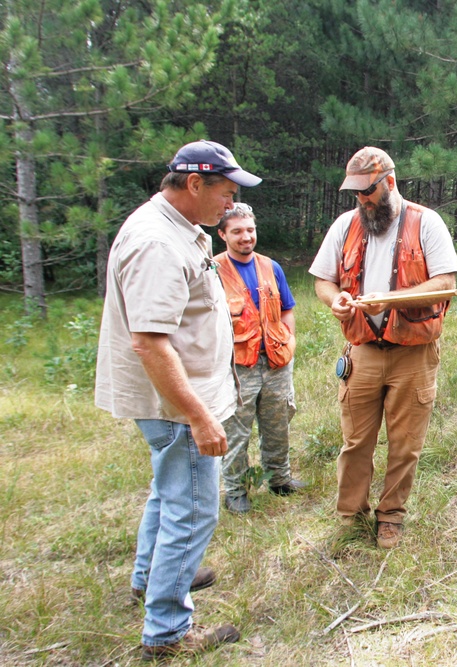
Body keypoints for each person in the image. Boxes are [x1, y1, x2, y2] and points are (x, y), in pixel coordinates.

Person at [95, 140, 261, 660]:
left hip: (178, 399)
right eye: (226, 194)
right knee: (192, 510)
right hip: (176, 405)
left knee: (168, 493)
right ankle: (167, 630)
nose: (230, 208)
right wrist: (199, 417)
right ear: (195, 184)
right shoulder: (156, 243)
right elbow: (149, 341)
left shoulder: (176, 228)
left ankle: (154, 577)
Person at [310, 146, 457, 549]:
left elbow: (446, 284)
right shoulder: (345, 225)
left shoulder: (427, 223)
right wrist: (334, 300)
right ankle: (351, 516)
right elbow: (322, 281)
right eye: (355, 193)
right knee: (356, 440)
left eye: (367, 191)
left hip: (413, 354)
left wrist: (390, 299)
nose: (361, 200)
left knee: (405, 443)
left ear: (389, 183)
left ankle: (391, 516)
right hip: (361, 351)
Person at [214, 203, 305, 514]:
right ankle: (236, 491)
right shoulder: (213, 270)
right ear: (223, 234)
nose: (245, 237)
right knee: (236, 431)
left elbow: (287, 308)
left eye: (250, 230)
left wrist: (289, 340)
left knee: (278, 422)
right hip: (238, 367)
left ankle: (280, 479)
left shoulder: (271, 267)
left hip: (277, 361)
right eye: (237, 231)